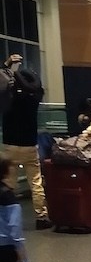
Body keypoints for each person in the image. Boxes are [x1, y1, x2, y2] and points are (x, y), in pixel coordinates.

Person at [1, 54, 51, 229]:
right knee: (36, 182)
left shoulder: (11, 95)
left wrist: (7, 65)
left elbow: (2, 80)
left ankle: (7, 218)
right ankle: (42, 217)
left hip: (10, 144)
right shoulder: (35, 97)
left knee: (8, 183)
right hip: (30, 145)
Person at [0, 155, 45, 262]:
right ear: (6, 174)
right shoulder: (9, 197)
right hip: (9, 245)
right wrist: (19, 247)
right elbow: (14, 225)